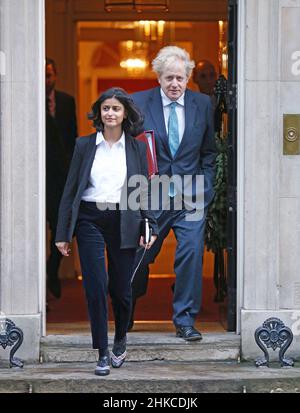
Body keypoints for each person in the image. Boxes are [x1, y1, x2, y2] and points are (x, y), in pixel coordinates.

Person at [55, 87, 158, 376]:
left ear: (125, 113)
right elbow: (71, 189)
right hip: (89, 218)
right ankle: (102, 352)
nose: (110, 113)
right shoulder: (84, 145)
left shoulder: (138, 147)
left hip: (124, 219)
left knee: (122, 291)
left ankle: (120, 338)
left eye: (115, 108)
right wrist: (63, 232)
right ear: (99, 113)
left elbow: (143, 191)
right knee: (96, 285)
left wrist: (149, 224)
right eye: (105, 108)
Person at [130, 46, 217, 341]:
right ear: (158, 78)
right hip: (149, 195)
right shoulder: (138, 103)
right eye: (169, 78)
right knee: (139, 254)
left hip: (190, 196)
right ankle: (126, 307)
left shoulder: (203, 104)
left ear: (188, 77)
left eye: (180, 78)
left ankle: (185, 320)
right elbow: (129, 151)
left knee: (191, 253)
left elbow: (208, 151)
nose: (175, 84)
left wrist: (205, 188)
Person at [46, 57, 78, 299]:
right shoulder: (29, 100)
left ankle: (52, 270)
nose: (47, 80)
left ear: (55, 75)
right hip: (38, 176)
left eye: (50, 75)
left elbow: (73, 137)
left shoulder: (67, 102)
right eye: (43, 75)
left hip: (62, 177)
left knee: (63, 228)